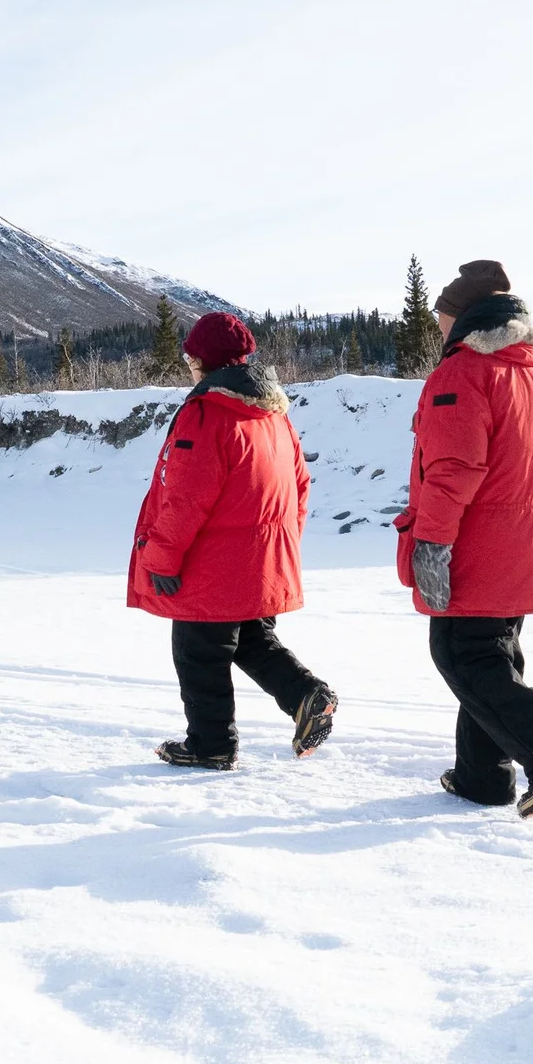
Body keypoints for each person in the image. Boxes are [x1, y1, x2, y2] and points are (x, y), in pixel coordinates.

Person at [395, 260, 533, 818]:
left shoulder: (463, 372)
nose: (437, 325)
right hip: (523, 545)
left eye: (440, 315)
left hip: (474, 546)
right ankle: (481, 778)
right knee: (493, 658)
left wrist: (431, 545)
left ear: (458, 316)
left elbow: (453, 470)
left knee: (463, 657)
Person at [128, 311, 337, 769]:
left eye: (191, 357)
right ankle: (307, 694)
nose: (188, 365)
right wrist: (277, 549)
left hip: (212, 561)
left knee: (198, 650)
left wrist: (160, 558)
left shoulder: (206, 414)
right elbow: (300, 486)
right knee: (250, 639)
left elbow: (185, 499)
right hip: (263, 555)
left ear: (204, 361)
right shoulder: (275, 413)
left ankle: (211, 744)